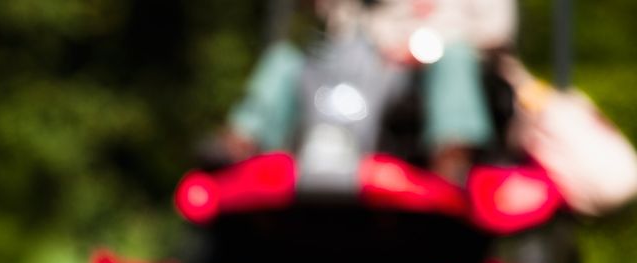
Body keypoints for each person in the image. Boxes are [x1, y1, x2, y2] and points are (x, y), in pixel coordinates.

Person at [219, 0, 519, 182]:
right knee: (286, 59)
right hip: (374, 70)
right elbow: (341, 27)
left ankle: (452, 158)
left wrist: (427, 47)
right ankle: (242, 145)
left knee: (454, 57)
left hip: (441, 74)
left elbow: (497, 32)